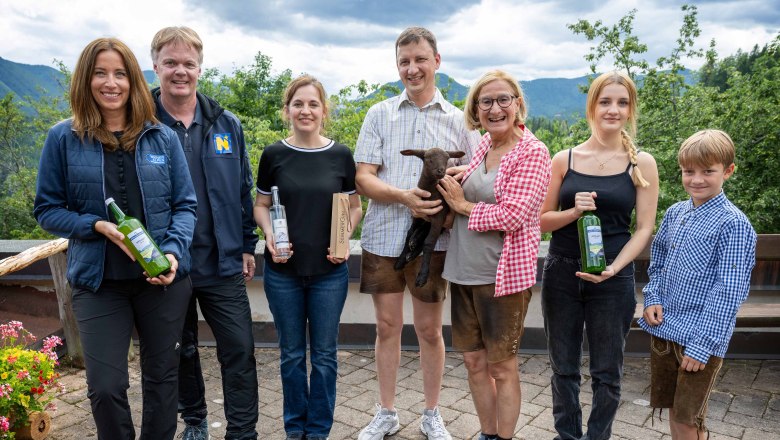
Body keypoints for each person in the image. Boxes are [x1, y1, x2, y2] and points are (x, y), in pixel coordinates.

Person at [33, 37, 196, 440]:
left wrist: (174, 253)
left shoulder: (162, 137)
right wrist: (96, 226)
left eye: (120, 73)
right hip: (98, 282)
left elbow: (185, 206)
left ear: (133, 81)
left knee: (162, 381)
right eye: (100, 73)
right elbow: (47, 210)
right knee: (105, 388)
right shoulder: (63, 138)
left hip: (161, 280)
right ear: (85, 79)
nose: (111, 83)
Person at [354, 26, 480, 440]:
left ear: (437, 62)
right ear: (397, 66)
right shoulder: (380, 114)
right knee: (386, 327)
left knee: (429, 330)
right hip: (383, 237)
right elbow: (363, 179)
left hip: (436, 243)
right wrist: (403, 197)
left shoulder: (460, 120)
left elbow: (477, 171)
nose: (412, 68)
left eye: (420, 59)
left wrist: (456, 184)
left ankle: (431, 412)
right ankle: (386, 412)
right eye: (404, 61)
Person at [149, 26, 259, 440]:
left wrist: (248, 244)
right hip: (167, 262)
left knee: (240, 349)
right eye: (171, 63)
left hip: (222, 259)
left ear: (200, 67)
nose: (181, 71)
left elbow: (242, 188)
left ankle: (243, 432)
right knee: (181, 349)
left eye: (188, 63)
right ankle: (195, 421)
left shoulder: (225, 122)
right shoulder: (141, 123)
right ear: (156, 64)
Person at [539, 70, 659, 440]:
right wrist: (573, 212)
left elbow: (644, 229)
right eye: (605, 101)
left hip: (614, 278)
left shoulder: (643, 164)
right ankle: (568, 436)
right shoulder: (564, 159)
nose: (613, 109)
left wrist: (614, 268)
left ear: (631, 109)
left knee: (608, 373)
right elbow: (543, 221)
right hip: (561, 273)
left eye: (622, 103)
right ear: (592, 106)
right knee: (564, 368)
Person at [437, 70, 552, 440]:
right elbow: (478, 183)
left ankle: (504, 437)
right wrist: (458, 178)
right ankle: (487, 434)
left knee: (502, 367)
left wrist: (462, 204)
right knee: (473, 362)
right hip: (464, 272)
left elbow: (515, 216)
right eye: (485, 101)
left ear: (517, 104)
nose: (495, 108)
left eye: (503, 99)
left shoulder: (532, 151)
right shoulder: (484, 146)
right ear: (476, 109)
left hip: (501, 278)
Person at [253, 74, 363, 440]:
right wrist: (269, 235)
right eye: (298, 103)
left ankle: (318, 431)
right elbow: (261, 205)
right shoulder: (273, 155)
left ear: (323, 110)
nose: (305, 110)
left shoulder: (341, 155)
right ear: (287, 110)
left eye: (313, 104)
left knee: (326, 356)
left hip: (329, 274)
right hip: (282, 272)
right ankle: (294, 429)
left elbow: (355, 206)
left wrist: (344, 238)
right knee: (291, 356)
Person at [639, 129, 756, 440]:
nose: (697, 179)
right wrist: (652, 297)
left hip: (700, 340)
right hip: (666, 330)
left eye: (708, 171)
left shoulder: (734, 224)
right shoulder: (676, 213)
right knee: (675, 413)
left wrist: (703, 345)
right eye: (688, 171)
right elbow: (660, 261)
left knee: (689, 419)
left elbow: (729, 291)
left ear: (728, 171)